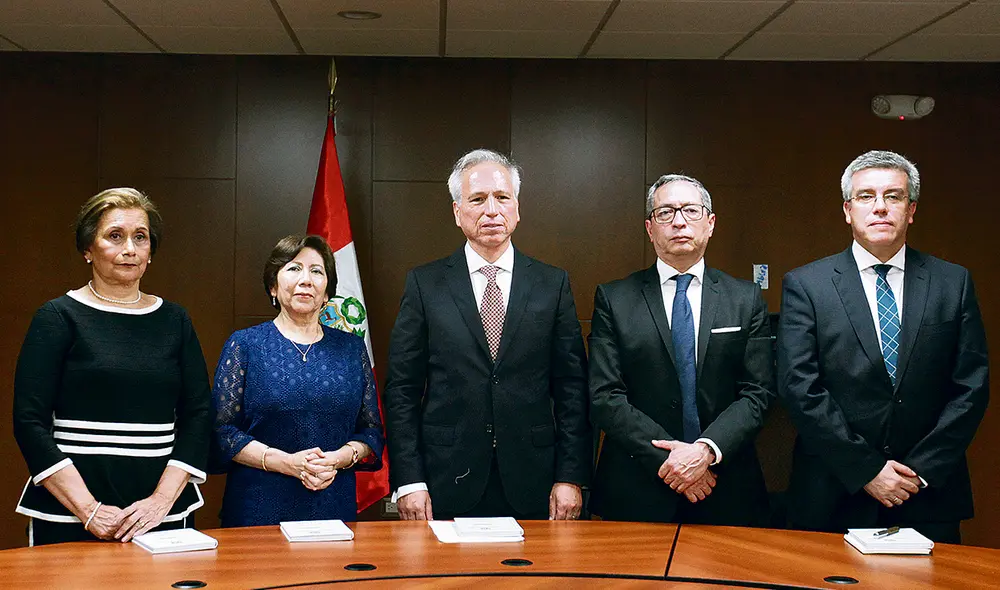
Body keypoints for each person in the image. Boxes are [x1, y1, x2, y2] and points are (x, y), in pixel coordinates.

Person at [778, 150, 989, 544]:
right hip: (835, 490)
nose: (880, 207)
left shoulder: (953, 282)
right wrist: (867, 470)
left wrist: (920, 471)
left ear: (911, 210)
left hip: (927, 494)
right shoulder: (806, 285)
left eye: (893, 196)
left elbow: (971, 387)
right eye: (866, 196)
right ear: (847, 210)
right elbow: (799, 387)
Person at [385, 149, 591, 521]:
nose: (492, 210)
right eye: (478, 199)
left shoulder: (551, 284)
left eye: (502, 197)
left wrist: (571, 476)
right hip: (446, 477)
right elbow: (402, 389)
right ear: (457, 212)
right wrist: (409, 480)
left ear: (517, 208)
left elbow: (572, 388)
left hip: (535, 478)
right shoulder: (425, 284)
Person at [13, 188, 211, 546]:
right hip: (70, 513)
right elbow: (29, 422)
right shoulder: (57, 317)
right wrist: (88, 509)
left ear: (151, 252)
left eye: (141, 237)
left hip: (161, 514)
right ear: (88, 248)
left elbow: (198, 415)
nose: (130, 249)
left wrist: (161, 501)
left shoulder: (175, 320)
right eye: (115, 236)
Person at [589, 175, 774, 525]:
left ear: (710, 223)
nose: (678, 221)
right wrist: (672, 462)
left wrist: (705, 452)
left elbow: (758, 392)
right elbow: (605, 395)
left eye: (690, 210)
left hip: (725, 484)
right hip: (637, 486)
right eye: (665, 212)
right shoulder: (614, 299)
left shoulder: (745, 299)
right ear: (650, 228)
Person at [212, 234, 383, 526]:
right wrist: (288, 463)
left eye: (316, 271)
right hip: (258, 508)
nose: (306, 280)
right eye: (294, 268)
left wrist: (338, 458)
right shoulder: (245, 345)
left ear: (327, 292)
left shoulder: (352, 349)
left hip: (332, 504)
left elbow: (371, 431)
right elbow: (221, 432)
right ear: (273, 286)